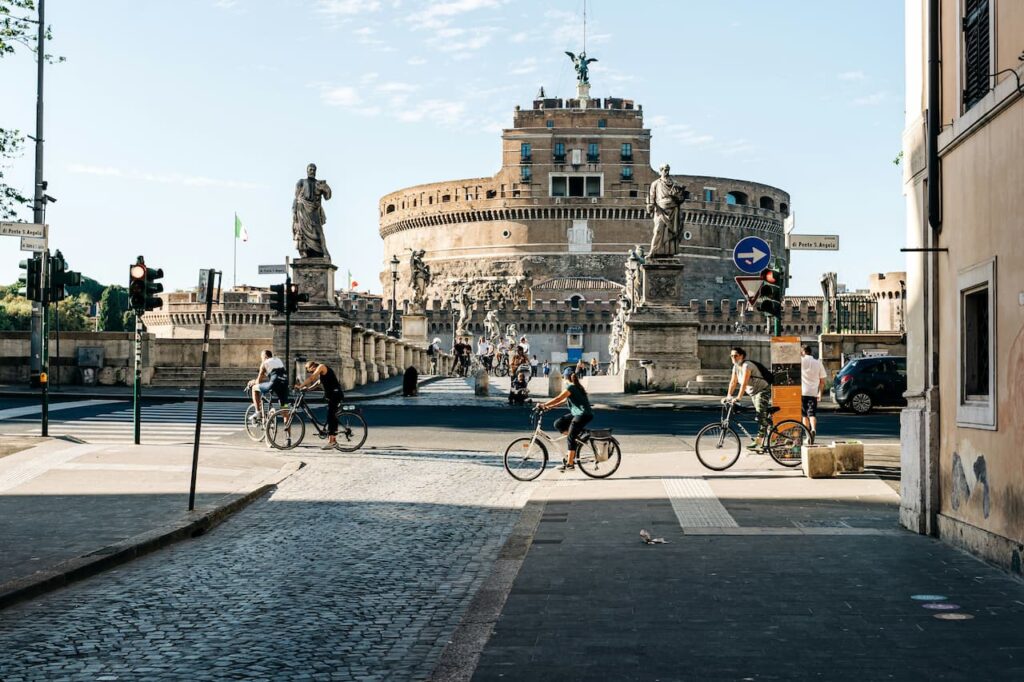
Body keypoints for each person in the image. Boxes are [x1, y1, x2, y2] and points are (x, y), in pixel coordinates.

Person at [540, 366, 594, 472]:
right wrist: (549, 407)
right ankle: (577, 437)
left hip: (583, 414)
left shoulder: (571, 387)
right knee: (558, 424)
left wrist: (544, 404)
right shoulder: (575, 386)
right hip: (578, 413)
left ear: (565, 377)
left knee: (570, 437)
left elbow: (558, 398)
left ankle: (570, 464)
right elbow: (563, 401)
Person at [723, 346, 772, 451]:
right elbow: (733, 382)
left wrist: (738, 397)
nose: (733, 358)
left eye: (735, 356)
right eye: (731, 356)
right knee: (762, 416)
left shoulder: (747, 365)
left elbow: (744, 383)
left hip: (762, 390)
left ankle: (760, 441)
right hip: (753, 393)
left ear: (742, 356)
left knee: (760, 416)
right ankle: (771, 433)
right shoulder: (735, 367)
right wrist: (728, 396)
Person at [294, 360, 344, 450]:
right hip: (332, 395)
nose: (309, 372)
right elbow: (318, 383)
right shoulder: (321, 373)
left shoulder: (322, 366)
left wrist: (300, 386)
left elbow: (312, 378)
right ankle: (333, 439)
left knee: (331, 416)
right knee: (331, 416)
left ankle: (332, 442)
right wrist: (308, 389)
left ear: (312, 366)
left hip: (335, 394)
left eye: (308, 369)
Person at [247, 349, 288, 420]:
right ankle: (287, 426)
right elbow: (275, 373)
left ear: (265, 357)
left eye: (262, 357)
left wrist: (252, 382)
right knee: (284, 408)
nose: (261, 359)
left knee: (254, 388)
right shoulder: (278, 360)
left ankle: (258, 412)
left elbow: (258, 381)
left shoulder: (264, 363)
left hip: (274, 383)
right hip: (284, 383)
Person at [801, 345, 828, 444]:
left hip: (802, 392)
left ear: (803, 352)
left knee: (804, 416)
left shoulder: (801, 361)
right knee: (812, 414)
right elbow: (822, 381)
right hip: (813, 393)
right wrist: (820, 393)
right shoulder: (818, 363)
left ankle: (807, 435)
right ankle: (813, 429)